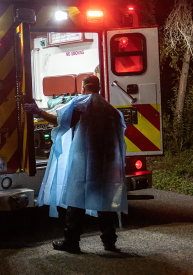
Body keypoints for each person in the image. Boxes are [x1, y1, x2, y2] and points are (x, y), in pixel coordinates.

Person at [24, 75, 127, 253]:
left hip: (84, 160)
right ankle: (109, 242)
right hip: (107, 162)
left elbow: (61, 122)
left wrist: (37, 112)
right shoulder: (111, 110)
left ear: (84, 87)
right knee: (105, 201)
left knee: (76, 199)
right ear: (99, 87)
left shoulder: (82, 105)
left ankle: (72, 241)